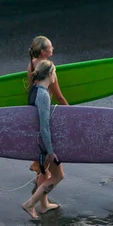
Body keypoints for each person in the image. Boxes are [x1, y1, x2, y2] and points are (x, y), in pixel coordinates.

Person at [26, 36, 68, 200]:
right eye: (51, 47)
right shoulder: (49, 68)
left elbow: (32, 90)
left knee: (43, 167)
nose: (53, 49)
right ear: (44, 51)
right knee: (47, 167)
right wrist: (72, 116)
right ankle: (38, 203)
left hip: (34, 112)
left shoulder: (31, 65)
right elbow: (58, 96)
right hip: (44, 116)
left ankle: (41, 202)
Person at [22, 60, 65, 219]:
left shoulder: (35, 89)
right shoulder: (43, 95)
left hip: (38, 142)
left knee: (45, 174)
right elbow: (44, 126)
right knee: (58, 176)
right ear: (49, 74)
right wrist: (50, 151)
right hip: (43, 144)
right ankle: (30, 204)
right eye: (55, 72)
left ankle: (44, 205)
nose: (55, 76)